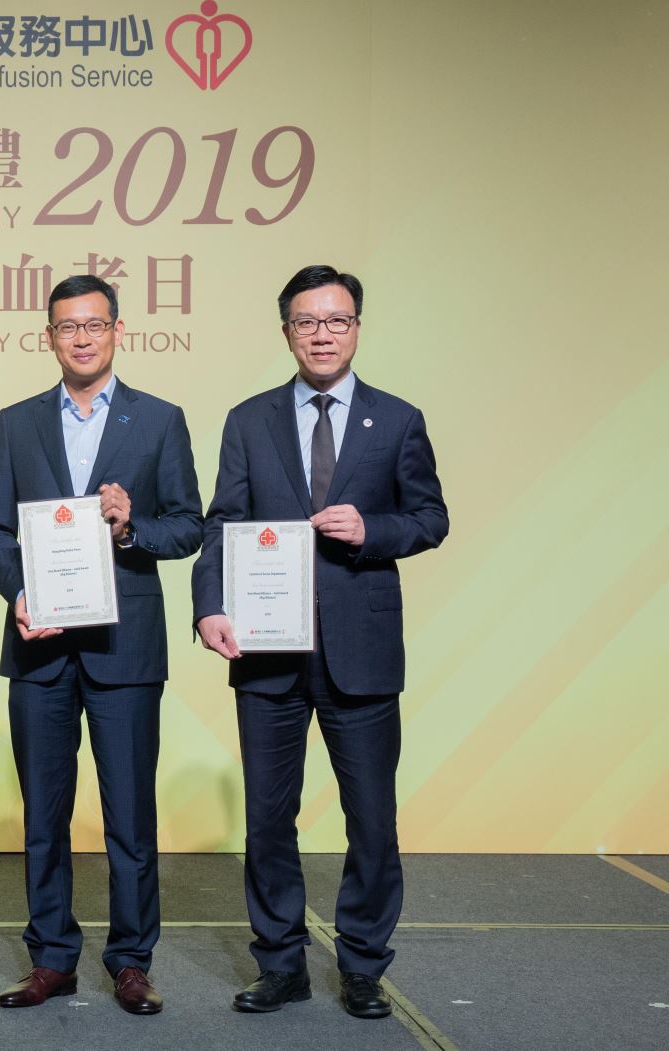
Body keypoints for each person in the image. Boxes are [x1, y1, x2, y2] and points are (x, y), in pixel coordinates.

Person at [191, 264, 448, 1019]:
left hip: (361, 653)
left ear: (357, 328)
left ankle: (364, 963)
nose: (323, 333)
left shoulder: (397, 419)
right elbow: (220, 524)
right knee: (268, 817)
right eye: (308, 321)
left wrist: (375, 531)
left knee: (372, 816)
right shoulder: (249, 418)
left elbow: (430, 517)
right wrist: (210, 608)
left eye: (337, 320)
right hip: (266, 653)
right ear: (287, 332)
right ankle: (281, 963)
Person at [0, 275, 202, 1014]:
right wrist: (19, 592)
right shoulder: (16, 422)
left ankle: (131, 960)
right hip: (39, 646)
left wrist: (132, 525)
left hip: (124, 648)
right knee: (43, 811)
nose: (80, 337)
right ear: (50, 336)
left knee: (129, 815)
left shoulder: (160, 420)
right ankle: (52, 958)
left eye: (93, 325)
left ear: (116, 330)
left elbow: (189, 525)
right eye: (67, 326)